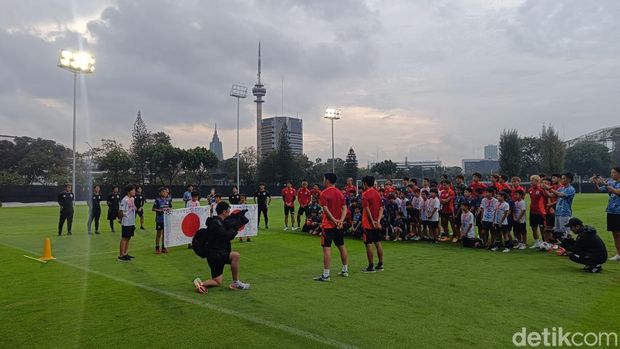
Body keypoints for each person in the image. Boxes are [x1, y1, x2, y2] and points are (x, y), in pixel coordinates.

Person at [193, 201, 251, 292]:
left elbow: (226, 225)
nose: (229, 212)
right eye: (228, 210)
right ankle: (236, 283)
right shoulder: (216, 223)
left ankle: (201, 284)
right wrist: (235, 229)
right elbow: (226, 236)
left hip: (212, 255)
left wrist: (236, 217)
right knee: (235, 255)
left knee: (217, 281)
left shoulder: (217, 221)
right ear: (224, 211)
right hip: (216, 254)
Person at [314, 173, 349, 282]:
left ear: (328, 180)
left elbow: (325, 209)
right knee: (341, 246)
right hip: (339, 225)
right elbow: (344, 208)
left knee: (326, 248)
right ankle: (345, 270)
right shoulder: (340, 193)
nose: (323, 181)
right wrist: (341, 220)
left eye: (324, 179)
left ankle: (326, 274)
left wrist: (334, 220)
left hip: (328, 225)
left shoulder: (324, 193)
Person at [592, 167, 620, 261]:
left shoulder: (611, 183)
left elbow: (617, 192)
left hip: (619, 211)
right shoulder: (610, 182)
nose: (611, 174)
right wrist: (596, 183)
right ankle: (619, 254)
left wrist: (606, 184)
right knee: (615, 233)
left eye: (613, 172)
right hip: (611, 211)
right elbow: (598, 191)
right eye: (611, 172)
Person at [544, 173, 576, 245]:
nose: (562, 180)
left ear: (569, 179)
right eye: (562, 178)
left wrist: (549, 188)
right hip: (558, 212)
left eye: (564, 178)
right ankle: (562, 245)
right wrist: (545, 189)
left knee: (566, 231)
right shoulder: (561, 188)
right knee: (558, 231)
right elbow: (550, 195)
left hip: (565, 213)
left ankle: (569, 245)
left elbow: (560, 195)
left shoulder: (571, 189)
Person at [118, 185, 136, 262]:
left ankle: (126, 253)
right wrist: (121, 219)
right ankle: (121, 255)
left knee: (128, 237)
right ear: (128, 191)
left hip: (131, 221)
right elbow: (121, 211)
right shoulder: (124, 200)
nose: (134, 191)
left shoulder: (132, 198)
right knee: (124, 238)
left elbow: (133, 208)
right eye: (133, 190)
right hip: (126, 221)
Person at [528, 175, 546, 248]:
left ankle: (545, 242)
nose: (531, 182)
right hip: (532, 211)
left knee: (542, 228)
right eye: (531, 180)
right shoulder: (530, 190)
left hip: (540, 212)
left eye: (532, 180)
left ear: (537, 181)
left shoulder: (541, 190)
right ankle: (537, 242)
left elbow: (545, 199)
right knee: (533, 228)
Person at [152, 187, 172, 254]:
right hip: (159, 219)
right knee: (159, 234)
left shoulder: (168, 200)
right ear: (160, 193)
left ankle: (163, 248)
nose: (165, 193)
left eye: (166, 192)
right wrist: (160, 210)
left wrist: (169, 209)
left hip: (166, 220)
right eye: (163, 192)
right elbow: (153, 209)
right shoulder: (157, 200)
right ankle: (157, 248)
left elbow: (170, 207)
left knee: (165, 234)